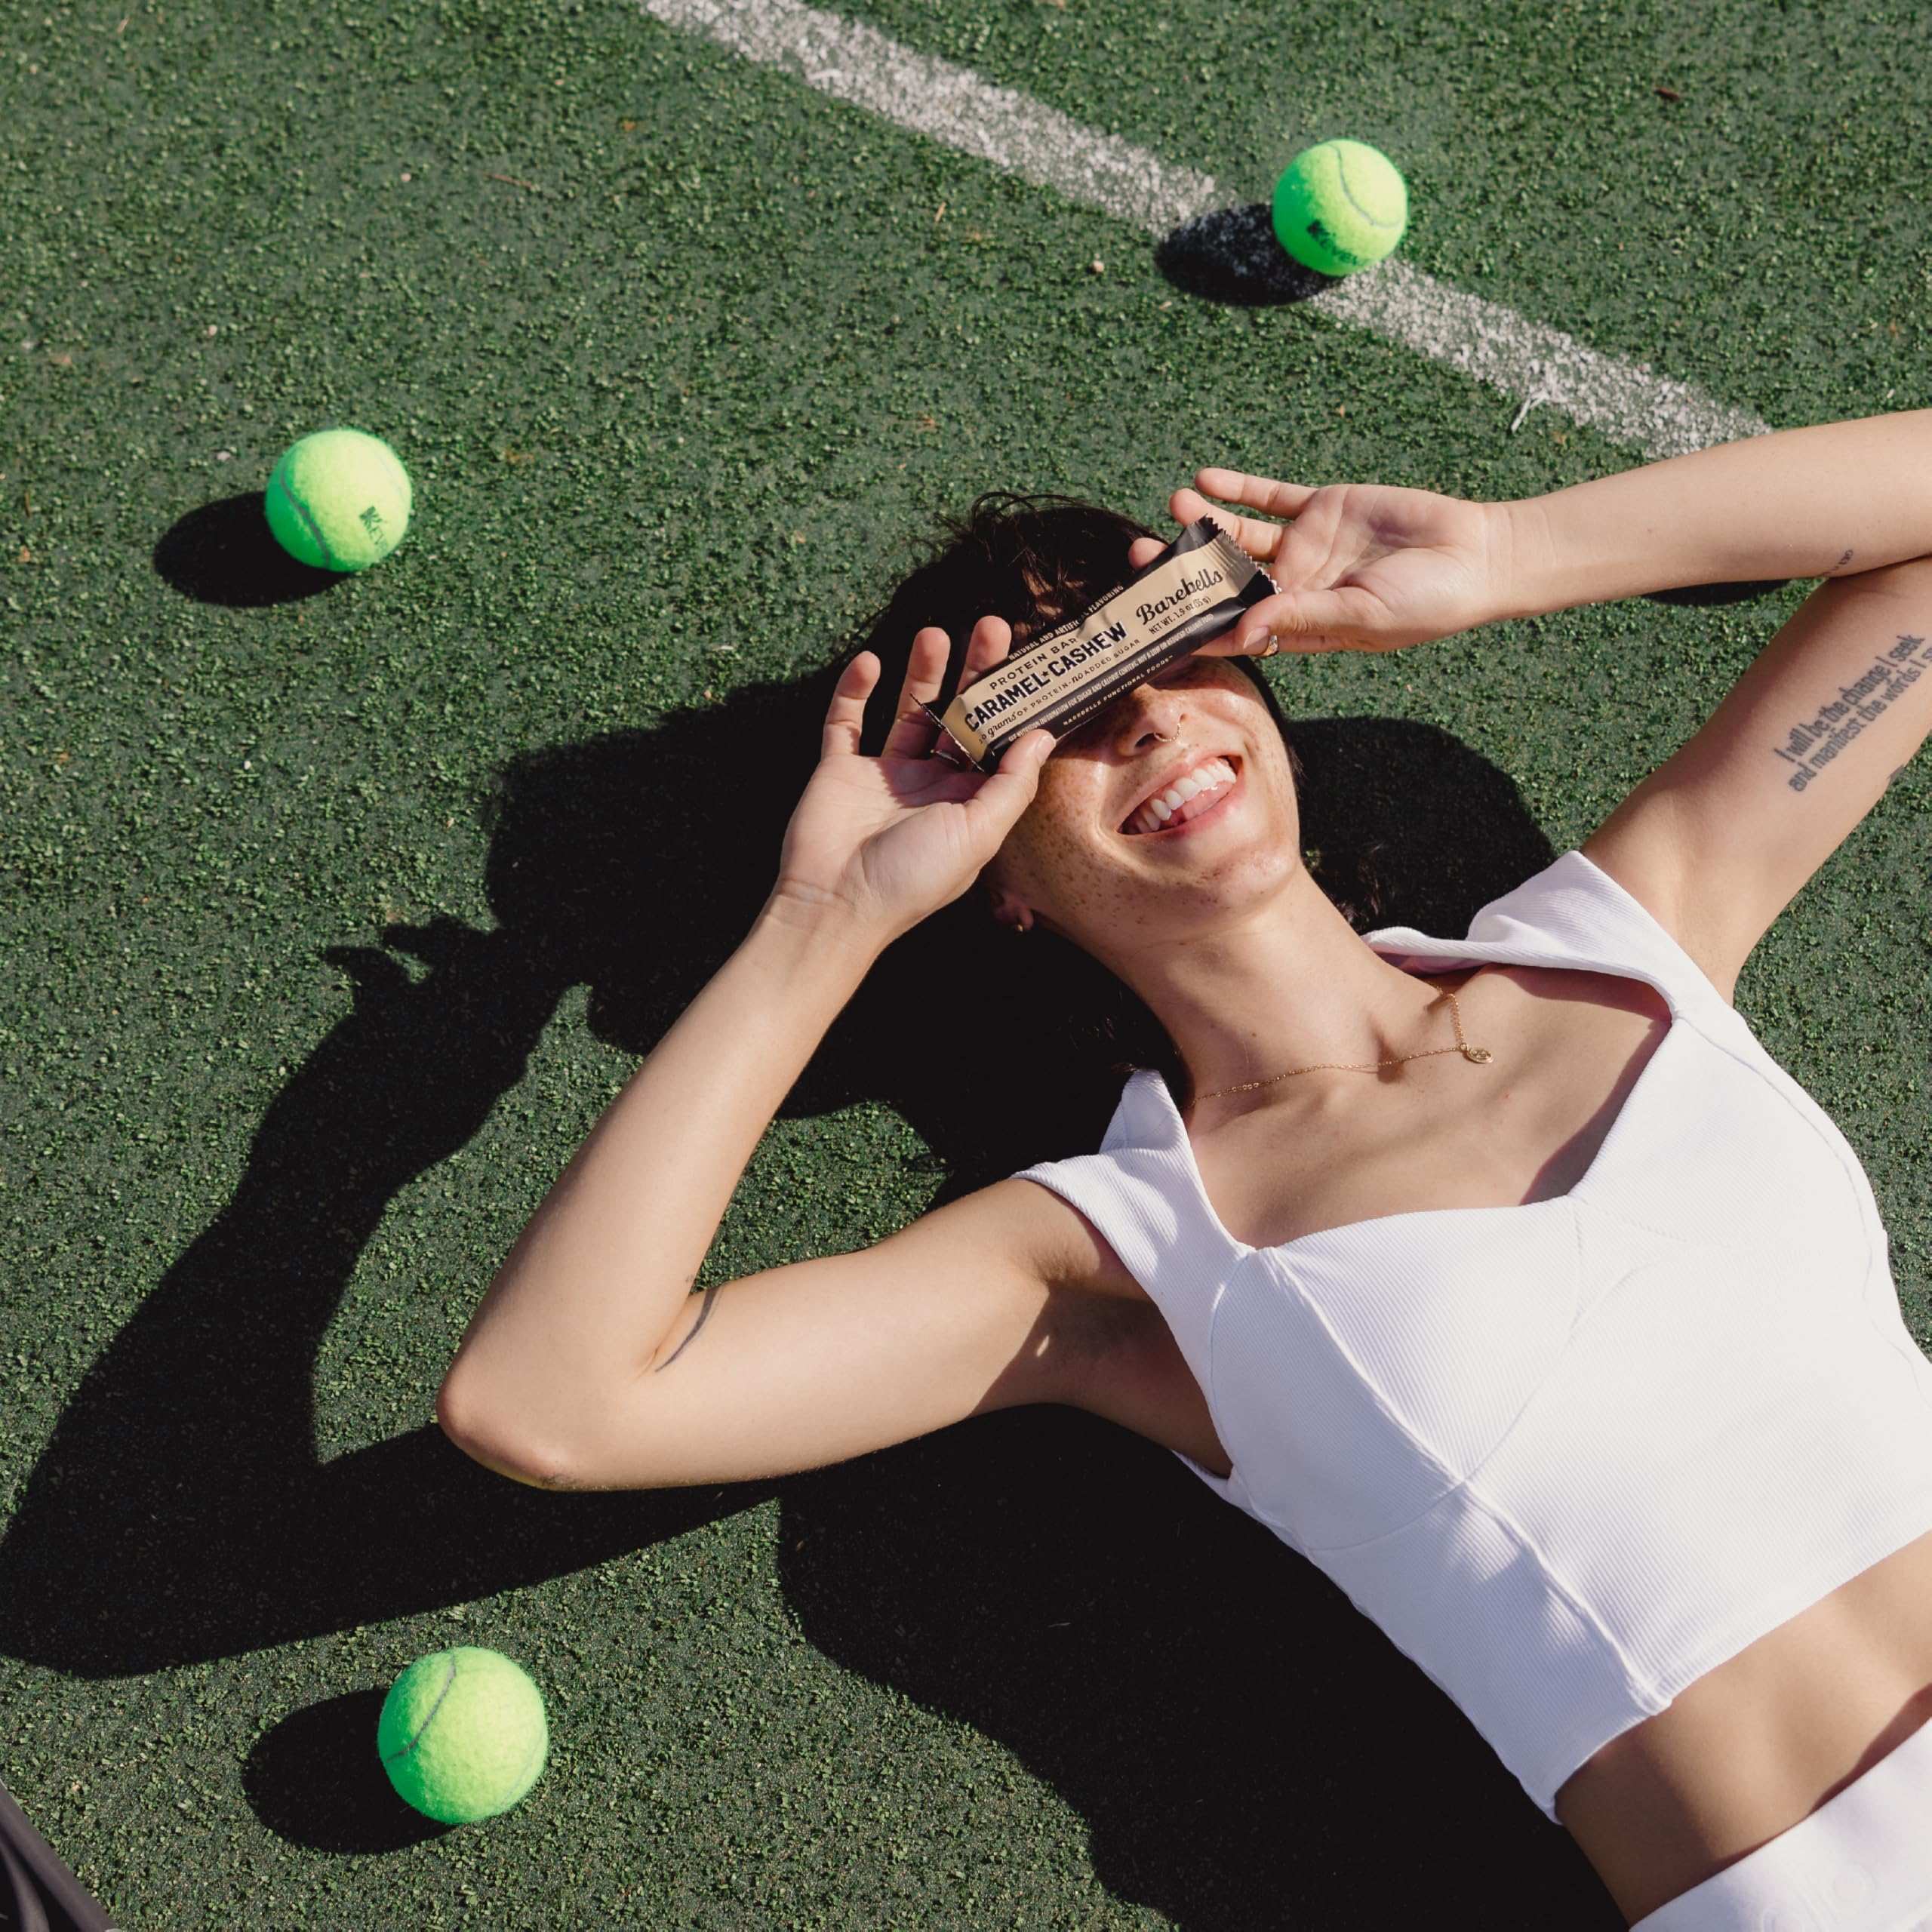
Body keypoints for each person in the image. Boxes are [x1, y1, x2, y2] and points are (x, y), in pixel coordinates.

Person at [435, 408, 1932, 1930]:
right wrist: (824, 920)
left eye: (1168, 649)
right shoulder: (1122, 1262)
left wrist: (1507, 553)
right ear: (992, 866)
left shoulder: (1629, 940)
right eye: (1060, 711)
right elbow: (547, 1401)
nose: (1143, 718)